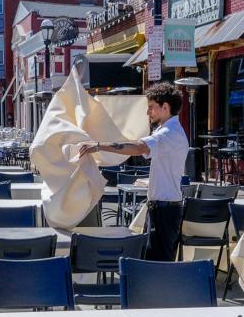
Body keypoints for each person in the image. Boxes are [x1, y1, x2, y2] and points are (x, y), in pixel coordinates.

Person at [78, 82, 188, 261]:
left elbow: (139, 148)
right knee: (153, 261)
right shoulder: (168, 131)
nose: (148, 113)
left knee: (158, 265)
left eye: (151, 108)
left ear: (165, 107)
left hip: (165, 210)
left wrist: (99, 146)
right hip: (162, 207)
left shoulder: (169, 133)